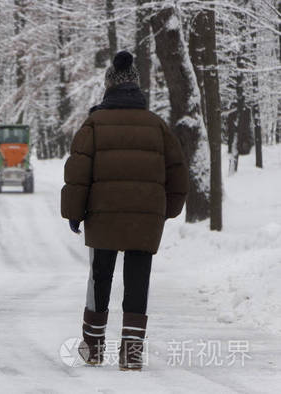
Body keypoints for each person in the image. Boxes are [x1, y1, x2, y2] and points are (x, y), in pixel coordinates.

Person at [60, 51, 188, 370]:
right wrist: (165, 211)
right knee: (137, 281)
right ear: (137, 89)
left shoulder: (94, 124)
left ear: (108, 88)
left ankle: (93, 347)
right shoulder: (157, 126)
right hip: (146, 219)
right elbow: (178, 171)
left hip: (102, 216)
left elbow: (78, 173)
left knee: (99, 278)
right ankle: (130, 354)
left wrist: (74, 214)